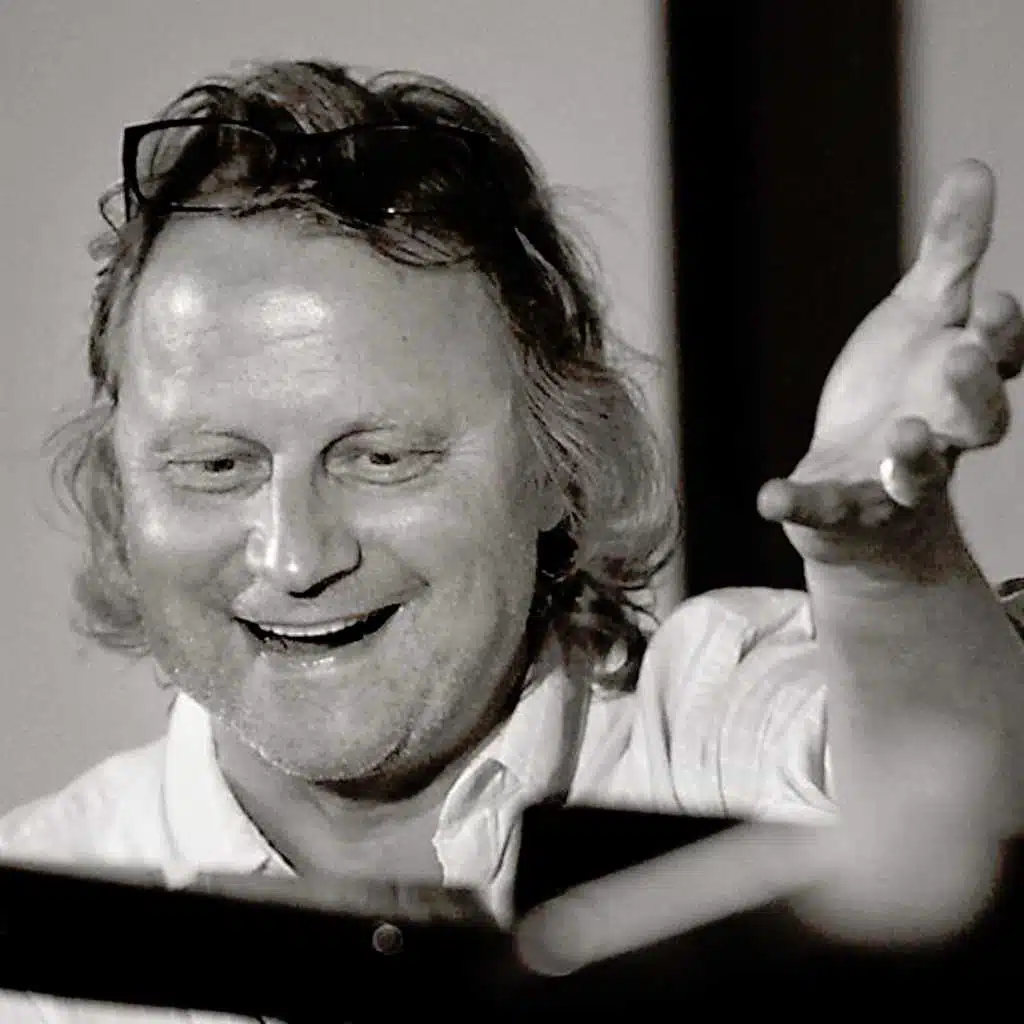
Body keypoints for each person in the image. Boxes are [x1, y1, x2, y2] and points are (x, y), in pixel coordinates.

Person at [1, 59, 1023, 1020]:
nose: (296, 558)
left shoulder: (704, 736)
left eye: (382, 458)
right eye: (216, 466)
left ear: (557, 465)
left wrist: (889, 574)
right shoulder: (35, 926)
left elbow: (960, 807)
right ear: (119, 496)